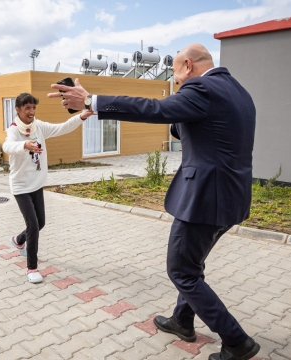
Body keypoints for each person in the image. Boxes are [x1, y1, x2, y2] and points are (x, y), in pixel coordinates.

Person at [49, 44, 260, 360]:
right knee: (193, 264)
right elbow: (190, 125)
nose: (176, 83)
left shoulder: (202, 87)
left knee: (182, 271)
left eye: (175, 74)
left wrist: (92, 101)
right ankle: (182, 320)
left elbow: (155, 108)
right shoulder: (237, 92)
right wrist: (177, 113)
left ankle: (236, 341)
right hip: (231, 197)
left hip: (205, 198)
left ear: (187, 65)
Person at [3, 93, 92, 283]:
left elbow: (62, 127)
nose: (31, 111)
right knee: (33, 225)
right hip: (20, 186)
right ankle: (31, 268)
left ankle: (19, 240)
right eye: (27, 108)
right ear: (18, 110)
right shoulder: (14, 130)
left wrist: (81, 116)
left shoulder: (39, 126)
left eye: (33, 108)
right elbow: (7, 146)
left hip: (36, 183)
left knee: (40, 222)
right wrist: (24, 145)